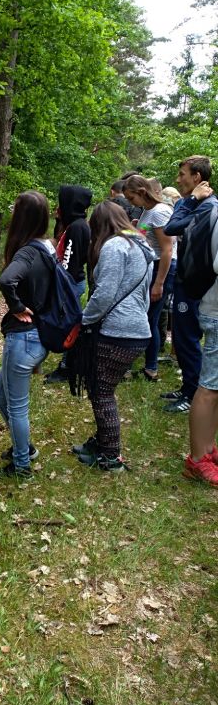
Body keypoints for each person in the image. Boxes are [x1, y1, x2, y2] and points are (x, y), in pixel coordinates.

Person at [71, 201, 154, 472]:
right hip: (137, 329)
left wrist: (84, 320)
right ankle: (102, 443)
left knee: (102, 391)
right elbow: (142, 295)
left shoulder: (114, 247)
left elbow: (104, 293)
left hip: (119, 331)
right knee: (103, 388)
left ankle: (110, 455)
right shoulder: (140, 246)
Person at [0, 191, 55, 479]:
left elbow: (6, 280)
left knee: (17, 407)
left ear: (22, 216)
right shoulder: (48, 248)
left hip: (24, 338)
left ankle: (22, 464)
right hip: (38, 336)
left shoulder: (27, 251)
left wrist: (16, 306)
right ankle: (23, 447)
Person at [162, 156, 218, 412]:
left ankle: (192, 394)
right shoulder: (194, 204)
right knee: (183, 339)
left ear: (197, 177)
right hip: (187, 282)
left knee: (188, 340)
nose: (178, 179)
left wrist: (192, 200)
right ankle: (187, 388)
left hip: (197, 286)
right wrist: (190, 200)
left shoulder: (207, 207)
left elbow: (171, 227)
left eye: (182, 174)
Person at [123, 174, 176, 381]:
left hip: (161, 269)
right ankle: (148, 366)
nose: (130, 202)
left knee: (149, 319)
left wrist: (159, 283)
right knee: (147, 318)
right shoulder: (147, 211)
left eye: (131, 198)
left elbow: (167, 250)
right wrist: (133, 229)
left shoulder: (160, 212)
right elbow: (145, 237)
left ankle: (151, 368)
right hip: (150, 268)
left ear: (142, 192)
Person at [183, 213, 218, 486]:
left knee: (215, 388)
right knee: (209, 388)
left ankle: (206, 449)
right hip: (216, 312)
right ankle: (197, 459)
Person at [44, 185, 92, 383]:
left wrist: (61, 287)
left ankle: (67, 367)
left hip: (70, 284)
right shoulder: (74, 224)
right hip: (70, 282)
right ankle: (68, 365)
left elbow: (69, 262)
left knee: (68, 327)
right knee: (68, 325)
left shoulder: (77, 227)